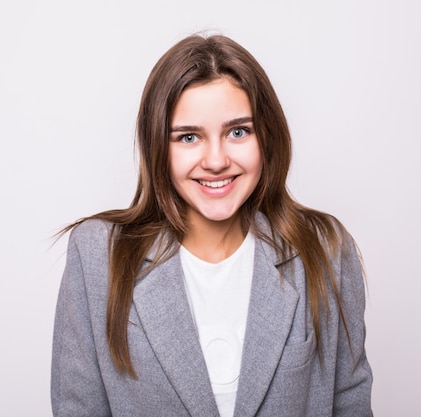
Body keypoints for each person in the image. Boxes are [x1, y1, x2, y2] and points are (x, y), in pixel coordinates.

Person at [51, 33, 373, 417]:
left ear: (266, 137)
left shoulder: (325, 250)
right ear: (158, 148)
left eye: (238, 131)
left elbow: (349, 401)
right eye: (189, 137)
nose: (216, 160)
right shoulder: (96, 257)